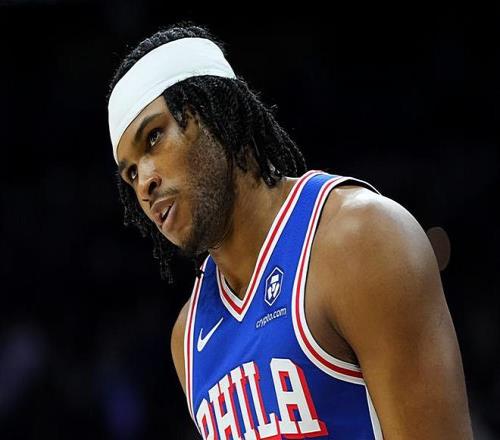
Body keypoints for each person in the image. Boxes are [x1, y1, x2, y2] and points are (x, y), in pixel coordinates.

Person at [107, 23, 472, 439]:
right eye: (130, 173)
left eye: (154, 137)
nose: (144, 182)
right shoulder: (187, 338)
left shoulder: (360, 239)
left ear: (219, 114)